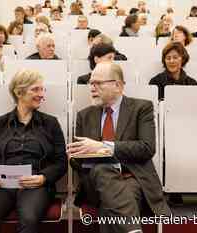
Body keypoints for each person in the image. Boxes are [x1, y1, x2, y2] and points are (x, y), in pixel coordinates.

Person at [68, 62, 171, 233]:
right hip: (95, 182)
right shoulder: (84, 115)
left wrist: (103, 147)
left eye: (97, 83)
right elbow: (78, 163)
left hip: (133, 176)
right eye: (90, 83)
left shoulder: (141, 108)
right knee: (102, 171)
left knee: (116, 201)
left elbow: (146, 148)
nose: (92, 88)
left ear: (117, 85)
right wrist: (74, 157)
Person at [0, 69, 67, 233]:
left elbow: (61, 162)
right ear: (19, 92)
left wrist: (43, 178)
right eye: (35, 89)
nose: (41, 94)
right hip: (1, 185)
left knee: (29, 221)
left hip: (35, 185)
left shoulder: (51, 123)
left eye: (42, 89)